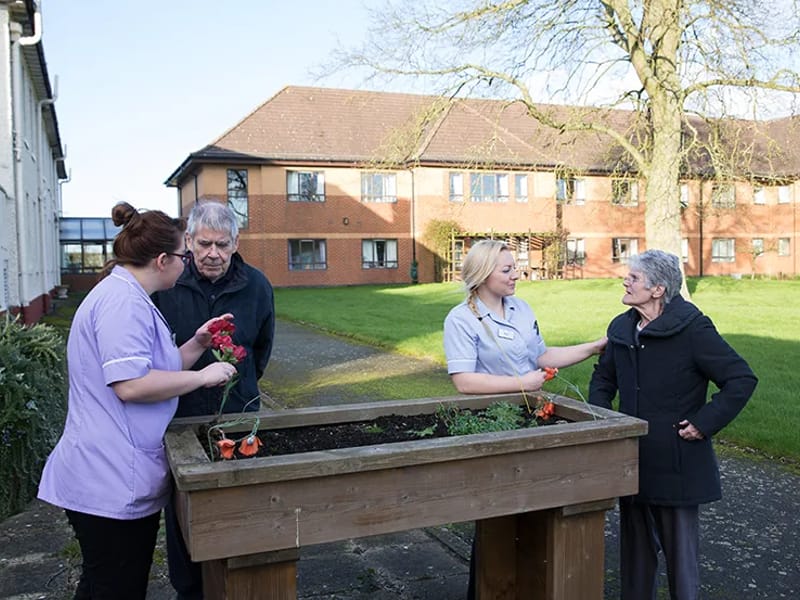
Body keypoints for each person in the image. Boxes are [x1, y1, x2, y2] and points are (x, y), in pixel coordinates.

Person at [37, 202, 238, 600]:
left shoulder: (129, 295)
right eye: (184, 255)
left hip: (115, 476)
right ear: (163, 260)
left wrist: (197, 344)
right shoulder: (122, 303)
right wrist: (202, 377)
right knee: (116, 590)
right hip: (107, 480)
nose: (188, 263)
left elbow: (154, 368)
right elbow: (130, 383)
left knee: (102, 586)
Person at [589, 249, 758, 600]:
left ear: (658, 289)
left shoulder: (693, 329)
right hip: (632, 460)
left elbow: (741, 378)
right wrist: (604, 419)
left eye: (633, 278)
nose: (625, 281)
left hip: (677, 462)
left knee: (682, 564)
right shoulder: (621, 327)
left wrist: (703, 423)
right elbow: (603, 379)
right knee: (635, 560)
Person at [442, 239, 607, 599]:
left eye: (515, 267)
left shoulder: (521, 309)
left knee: (533, 510)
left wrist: (593, 347)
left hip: (531, 418)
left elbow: (541, 355)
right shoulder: (461, 319)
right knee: (498, 519)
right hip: (492, 424)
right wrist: (520, 383)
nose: (517, 274)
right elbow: (463, 381)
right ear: (483, 274)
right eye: (507, 269)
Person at [151, 200, 275, 600]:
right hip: (179, 413)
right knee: (184, 512)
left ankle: (239, 582)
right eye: (204, 244)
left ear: (236, 243)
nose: (213, 254)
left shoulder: (256, 285)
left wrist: (239, 386)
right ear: (188, 241)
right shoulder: (168, 284)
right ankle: (189, 589)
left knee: (240, 503)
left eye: (222, 245)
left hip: (237, 412)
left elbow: (262, 350)